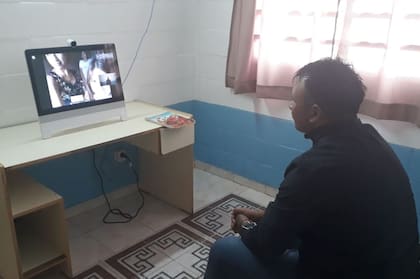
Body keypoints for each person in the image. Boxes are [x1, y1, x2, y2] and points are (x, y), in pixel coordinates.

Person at [204, 58, 419, 279]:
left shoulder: (313, 169)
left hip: (356, 270)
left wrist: (244, 225)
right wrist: (266, 216)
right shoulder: (372, 139)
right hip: (397, 265)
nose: (290, 106)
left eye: (294, 101)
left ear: (314, 113)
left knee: (225, 251)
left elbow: (266, 245)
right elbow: (328, 210)